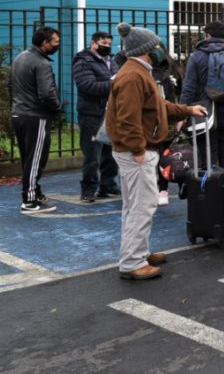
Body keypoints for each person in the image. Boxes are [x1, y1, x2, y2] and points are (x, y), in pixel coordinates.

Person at [105, 23, 205, 280]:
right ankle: (133, 262)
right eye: (157, 45)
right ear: (147, 49)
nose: (161, 49)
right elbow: (128, 118)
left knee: (135, 206)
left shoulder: (138, 72)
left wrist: (186, 110)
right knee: (142, 206)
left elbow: (157, 105)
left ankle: (138, 252)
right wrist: (138, 149)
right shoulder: (133, 76)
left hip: (136, 150)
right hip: (137, 152)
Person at [180, 21, 224, 171]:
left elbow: (189, 87)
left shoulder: (197, 56)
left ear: (208, 35)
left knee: (207, 155)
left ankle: (210, 184)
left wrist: (182, 114)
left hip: (204, 111)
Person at [10, 26, 63, 213]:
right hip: (35, 116)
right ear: (45, 43)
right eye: (55, 42)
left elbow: (11, 85)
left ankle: (35, 193)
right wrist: (57, 107)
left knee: (28, 158)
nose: (58, 45)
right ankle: (30, 201)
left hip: (19, 113)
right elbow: (47, 94)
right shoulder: (42, 63)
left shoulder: (20, 57)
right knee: (35, 160)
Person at [72, 30, 120, 203]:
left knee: (111, 152)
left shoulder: (111, 61)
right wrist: (113, 83)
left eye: (109, 44)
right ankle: (88, 189)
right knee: (92, 155)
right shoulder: (83, 61)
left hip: (110, 112)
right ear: (93, 43)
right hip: (91, 113)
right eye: (103, 43)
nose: (107, 47)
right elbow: (87, 86)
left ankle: (108, 185)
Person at [152, 48, 184, 206]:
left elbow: (181, 93)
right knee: (164, 153)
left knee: (163, 154)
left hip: (165, 119)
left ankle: (162, 189)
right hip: (165, 118)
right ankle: (163, 189)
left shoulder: (171, 71)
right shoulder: (170, 70)